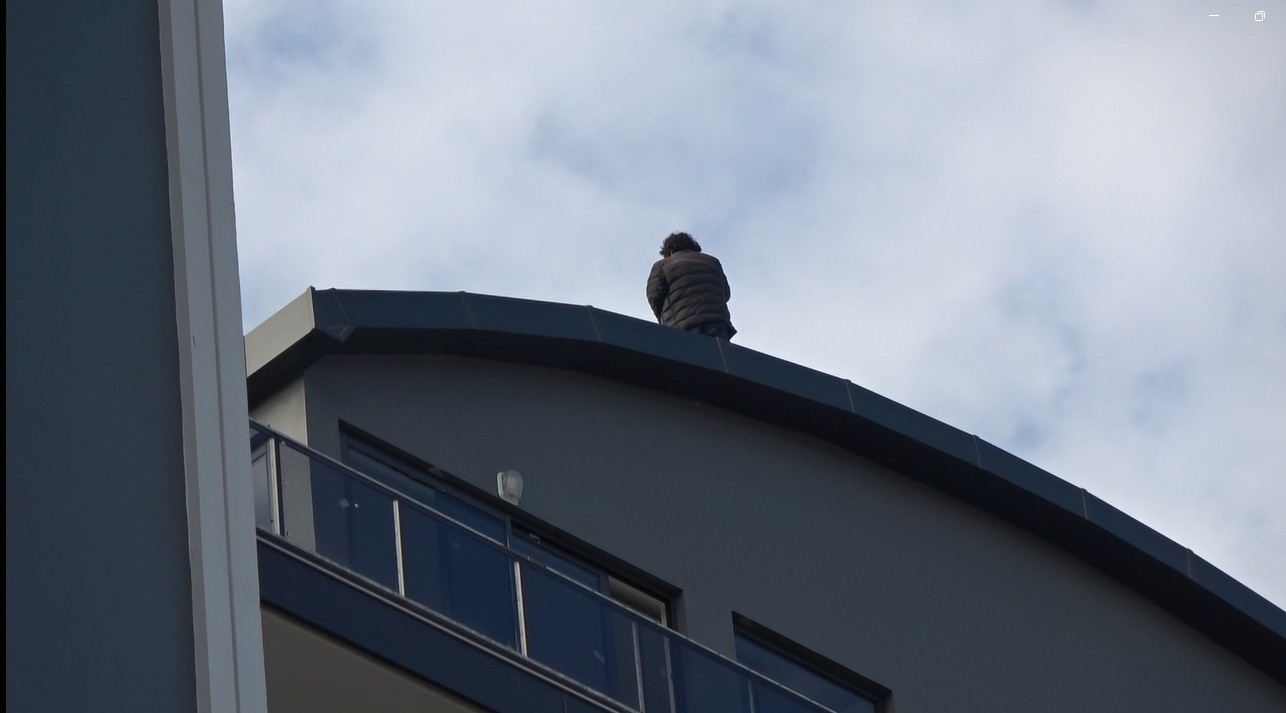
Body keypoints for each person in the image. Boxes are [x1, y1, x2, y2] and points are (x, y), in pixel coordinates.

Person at [646, 232, 737, 340]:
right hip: (717, 322)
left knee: (690, 354)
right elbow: (726, 293)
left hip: (683, 324)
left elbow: (655, 295)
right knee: (717, 355)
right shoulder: (713, 262)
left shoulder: (662, 265)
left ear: (670, 251)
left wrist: (661, 318)